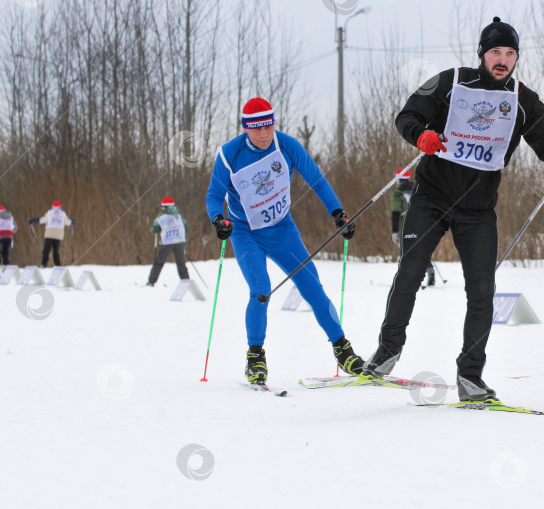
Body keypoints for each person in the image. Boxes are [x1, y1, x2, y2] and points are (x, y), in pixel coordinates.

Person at [362, 17, 544, 402]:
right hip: (431, 197)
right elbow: (407, 115)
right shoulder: (451, 81)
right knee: (409, 272)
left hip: (478, 211)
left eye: (510, 53)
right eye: (496, 51)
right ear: (482, 54)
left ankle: (470, 376)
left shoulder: (522, 98)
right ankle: (386, 353)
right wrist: (421, 135)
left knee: (481, 291)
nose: (503, 60)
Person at [205, 97, 365, 385]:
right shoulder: (229, 155)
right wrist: (218, 219)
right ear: (246, 129)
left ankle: (343, 350)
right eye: (257, 129)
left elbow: (316, 179)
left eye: (268, 126)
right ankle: (255, 358)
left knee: (312, 287)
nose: (265, 134)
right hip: (246, 233)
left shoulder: (286, 145)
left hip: (282, 229)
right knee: (261, 290)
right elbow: (214, 195)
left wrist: (338, 213)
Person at [391, 168, 435, 287]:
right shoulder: (418, 188)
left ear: (398, 178)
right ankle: (429, 269)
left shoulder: (398, 192)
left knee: (407, 251)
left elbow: (395, 212)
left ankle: (408, 278)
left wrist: (394, 231)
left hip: (407, 225)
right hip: (423, 223)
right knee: (421, 249)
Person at [146, 197, 190, 286]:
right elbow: (186, 228)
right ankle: (186, 281)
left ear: (163, 207)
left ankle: (151, 281)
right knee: (181, 262)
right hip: (179, 241)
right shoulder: (179, 216)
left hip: (167, 241)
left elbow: (154, 229)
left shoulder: (161, 216)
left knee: (159, 262)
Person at [29, 201, 73, 267]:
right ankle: (57, 264)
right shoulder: (63, 214)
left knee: (46, 249)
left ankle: (44, 263)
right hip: (58, 234)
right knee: (56, 250)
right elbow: (68, 222)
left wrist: (33, 220)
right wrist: (72, 221)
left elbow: (42, 220)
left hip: (49, 234)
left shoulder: (50, 213)